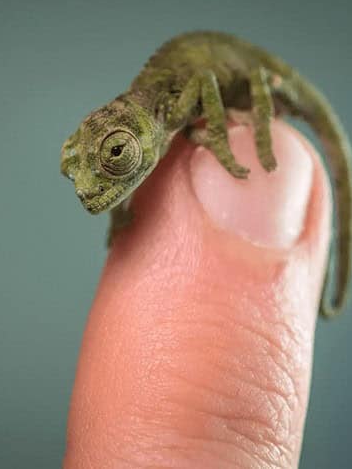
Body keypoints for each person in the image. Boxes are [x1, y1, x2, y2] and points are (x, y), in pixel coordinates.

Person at [64, 118, 333, 468]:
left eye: (117, 154)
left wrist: (222, 143)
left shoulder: (165, 111)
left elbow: (204, 75)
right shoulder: (145, 135)